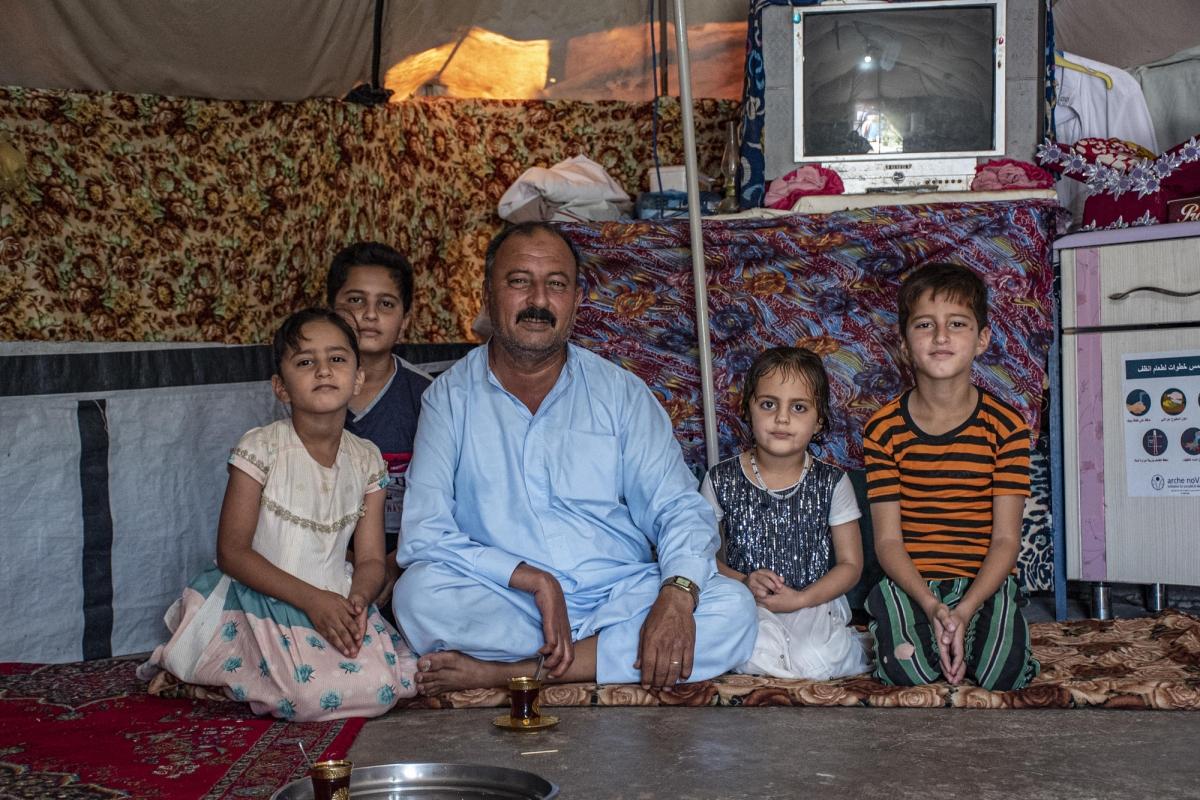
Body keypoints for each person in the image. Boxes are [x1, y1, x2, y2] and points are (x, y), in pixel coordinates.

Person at [392, 221, 756, 694]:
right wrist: (534, 580)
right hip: (512, 599)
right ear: (487, 294)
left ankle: (516, 671)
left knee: (732, 609)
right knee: (418, 596)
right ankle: (609, 655)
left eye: (556, 284)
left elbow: (678, 508)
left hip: (618, 594)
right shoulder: (450, 399)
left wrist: (676, 594)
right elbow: (424, 534)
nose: (538, 301)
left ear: (577, 300)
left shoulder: (620, 393)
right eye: (520, 281)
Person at [139, 308, 418, 720]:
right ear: (280, 387)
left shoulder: (367, 460)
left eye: (337, 359)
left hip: (335, 598)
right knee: (310, 697)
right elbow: (232, 552)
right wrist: (312, 600)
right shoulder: (261, 449)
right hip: (265, 596)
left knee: (392, 686)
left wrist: (357, 601)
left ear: (358, 378)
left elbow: (373, 559)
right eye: (306, 362)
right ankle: (224, 670)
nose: (323, 370)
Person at [862, 263, 1040, 691]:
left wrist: (964, 610)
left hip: (985, 582)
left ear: (982, 339)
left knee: (1003, 674)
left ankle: (986, 628)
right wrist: (930, 604)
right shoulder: (883, 429)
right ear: (904, 343)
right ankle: (902, 623)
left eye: (956, 324)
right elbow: (887, 542)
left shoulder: (1007, 427)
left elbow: (1005, 541)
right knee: (909, 671)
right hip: (911, 583)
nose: (941, 337)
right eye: (925, 325)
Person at [701, 347, 870, 680]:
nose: (781, 418)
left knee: (814, 661)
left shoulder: (832, 482)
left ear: (819, 418)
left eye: (799, 407)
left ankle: (853, 644)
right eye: (768, 404)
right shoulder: (720, 479)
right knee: (754, 654)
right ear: (748, 408)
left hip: (813, 600)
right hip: (747, 602)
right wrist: (745, 581)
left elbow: (851, 566)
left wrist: (803, 598)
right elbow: (704, 557)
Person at [326, 242, 432, 613]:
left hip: (406, 557)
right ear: (332, 312)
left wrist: (390, 563)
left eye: (385, 304)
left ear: (404, 320)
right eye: (355, 301)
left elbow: (445, 504)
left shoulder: (428, 398)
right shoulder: (307, 391)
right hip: (323, 555)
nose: (369, 315)